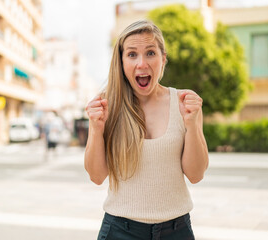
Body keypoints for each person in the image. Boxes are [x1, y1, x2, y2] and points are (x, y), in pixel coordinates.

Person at [84, 20, 209, 240]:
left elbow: (196, 174)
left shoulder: (183, 102)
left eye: (150, 53)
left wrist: (191, 124)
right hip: (119, 231)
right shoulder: (107, 105)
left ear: (163, 59)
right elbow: (96, 176)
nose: (142, 63)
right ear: (121, 62)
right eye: (132, 54)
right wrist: (95, 129)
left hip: (176, 231)